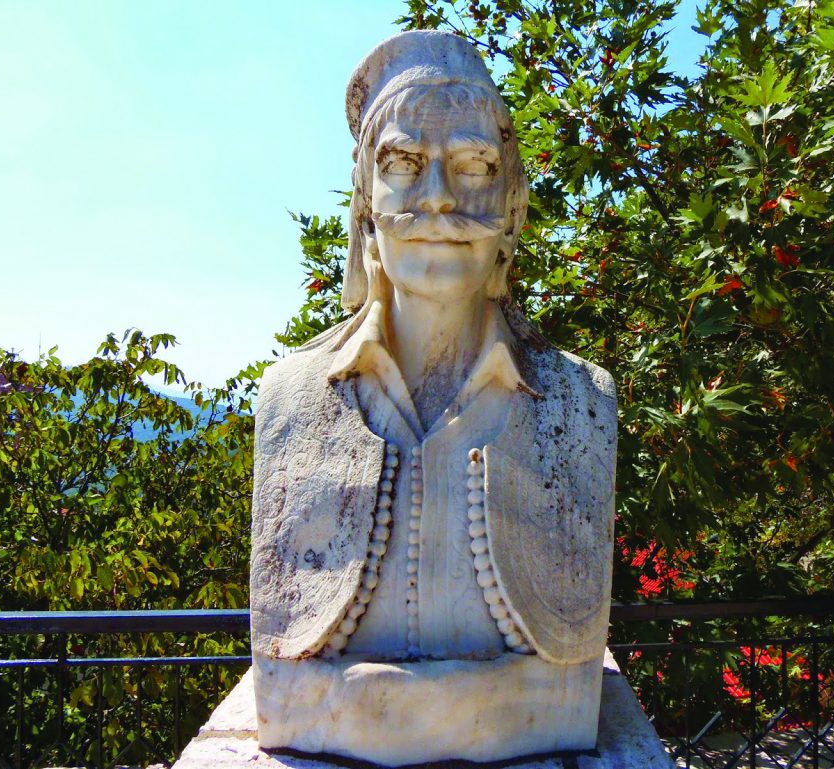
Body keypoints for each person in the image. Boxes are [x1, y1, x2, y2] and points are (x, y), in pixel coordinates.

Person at [249, 30, 617, 766]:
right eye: (404, 163)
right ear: (365, 208)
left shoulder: (579, 403)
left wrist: (364, 704)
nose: (441, 196)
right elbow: (277, 700)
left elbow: (574, 702)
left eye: (475, 164)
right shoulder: (289, 399)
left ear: (512, 206)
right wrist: (493, 701)